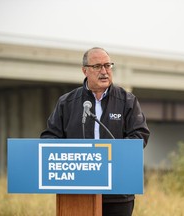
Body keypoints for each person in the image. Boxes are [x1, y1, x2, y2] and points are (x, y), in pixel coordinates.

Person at [40, 47, 150, 216]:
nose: (104, 71)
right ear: (85, 70)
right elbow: (49, 138)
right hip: (78, 192)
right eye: (98, 66)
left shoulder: (127, 100)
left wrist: (110, 154)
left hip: (118, 192)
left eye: (108, 65)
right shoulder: (67, 102)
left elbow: (140, 135)